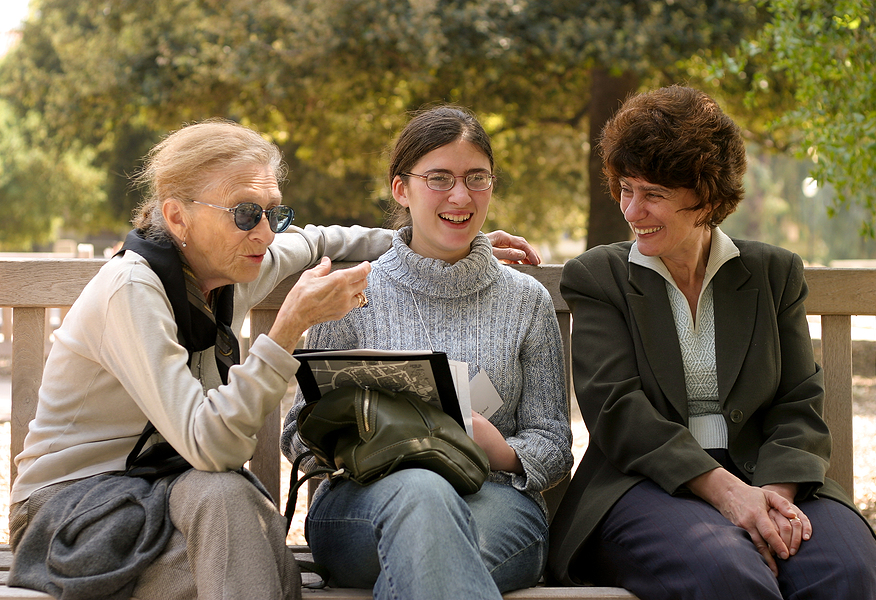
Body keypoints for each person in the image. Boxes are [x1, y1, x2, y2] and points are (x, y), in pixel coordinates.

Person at [8, 118, 539, 600]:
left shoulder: (232, 263)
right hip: (79, 515)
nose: (263, 232)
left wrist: (444, 238)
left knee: (239, 522)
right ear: (177, 216)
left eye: (271, 213)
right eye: (244, 213)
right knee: (244, 532)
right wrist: (286, 331)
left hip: (168, 496)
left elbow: (318, 240)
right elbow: (209, 445)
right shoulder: (132, 289)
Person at [547, 85, 876, 600]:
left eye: (654, 194)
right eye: (625, 188)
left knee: (849, 575)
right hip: (644, 485)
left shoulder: (773, 273)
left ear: (705, 198)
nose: (632, 210)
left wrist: (771, 499)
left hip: (770, 476)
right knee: (727, 578)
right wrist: (730, 496)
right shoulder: (599, 278)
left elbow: (798, 402)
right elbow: (619, 411)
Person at [281, 105, 574, 600]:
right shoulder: (352, 293)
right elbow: (297, 435)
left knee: (429, 548)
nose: (460, 195)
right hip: (363, 501)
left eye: (476, 178)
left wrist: (495, 447)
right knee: (423, 493)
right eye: (439, 178)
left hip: (494, 500)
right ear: (402, 189)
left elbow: (553, 442)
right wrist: (372, 427)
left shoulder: (526, 300)